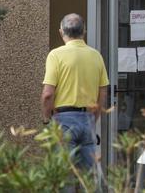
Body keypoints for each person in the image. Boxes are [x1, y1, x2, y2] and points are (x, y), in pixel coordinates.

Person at [41, 13, 109, 176]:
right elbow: (103, 92)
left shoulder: (55, 55)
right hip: (88, 119)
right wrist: (94, 117)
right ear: (83, 32)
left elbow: (47, 95)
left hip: (63, 120)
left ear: (61, 32)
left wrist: (46, 120)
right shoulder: (96, 56)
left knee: (64, 176)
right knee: (88, 177)